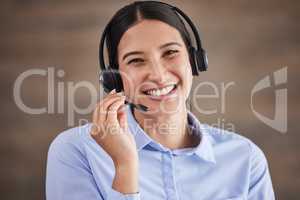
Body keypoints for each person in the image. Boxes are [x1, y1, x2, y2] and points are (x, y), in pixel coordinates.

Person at [46, 1, 275, 200]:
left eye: (170, 53)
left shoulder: (245, 159)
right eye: (136, 60)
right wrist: (125, 167)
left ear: (195, 61)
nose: (158, 75)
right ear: (115, 79)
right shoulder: (76, 151)